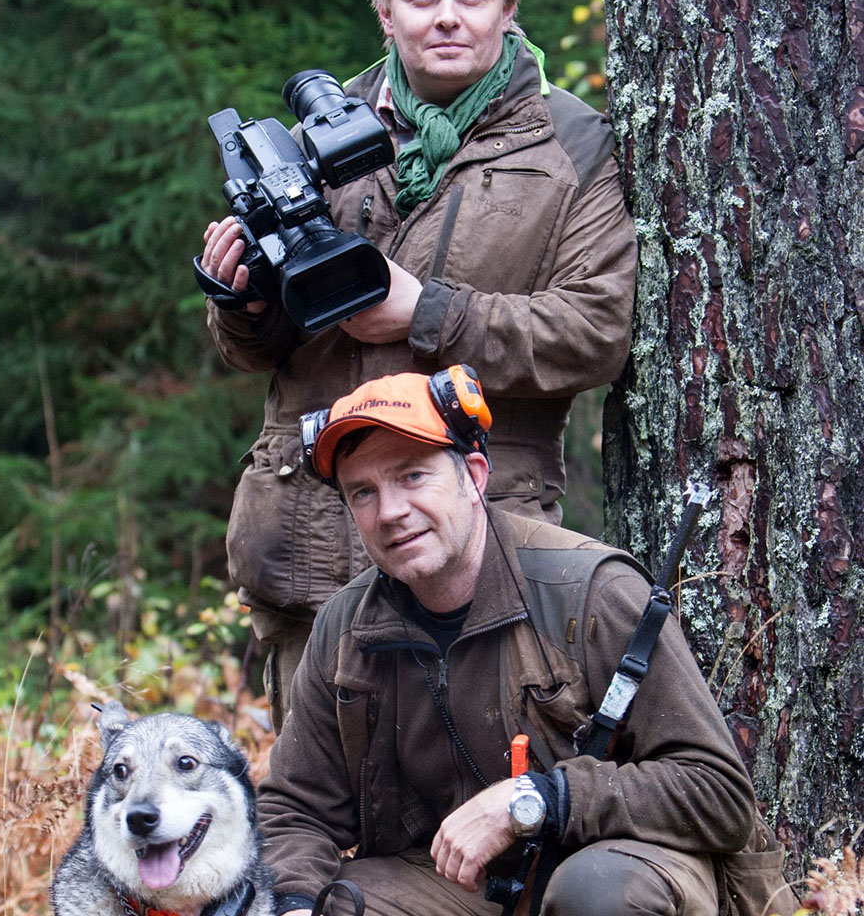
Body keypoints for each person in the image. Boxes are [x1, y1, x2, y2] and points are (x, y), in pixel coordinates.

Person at [201, 0, 638, 729]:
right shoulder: (305, 142)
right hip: (312, 542)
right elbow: (255, 349)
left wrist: (427, 314)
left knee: (482, 787)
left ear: (507, 8)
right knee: (314, 791)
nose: (446, 17)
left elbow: (595, 332)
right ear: (385, 11)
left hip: (476, 546)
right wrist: (241, 299)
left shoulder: (571, 145)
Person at [256, 368, 796, 916]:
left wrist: (538, 799)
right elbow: (294, 810)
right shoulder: (347, 628)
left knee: (597, 892)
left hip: (624, 857)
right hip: (466, 886)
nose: (390, 512)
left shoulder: (593, 593)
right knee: (329, 905)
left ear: (474, 476)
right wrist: (293, 902)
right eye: (363, 493)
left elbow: (719, 792)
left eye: (413, 476)